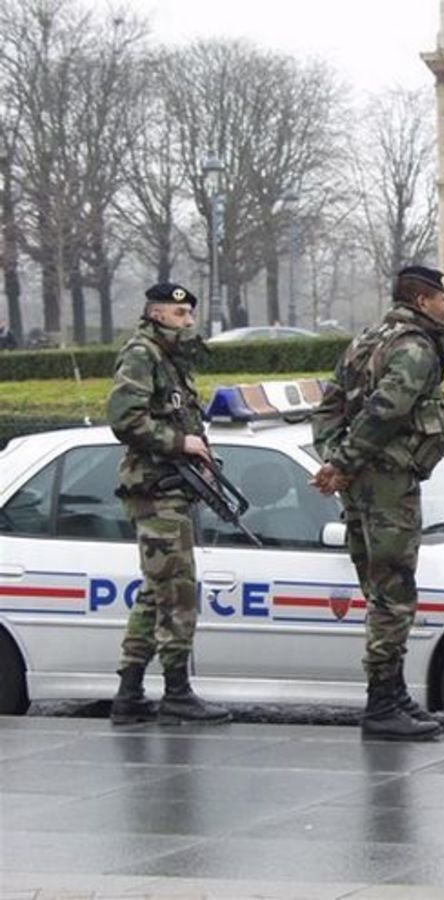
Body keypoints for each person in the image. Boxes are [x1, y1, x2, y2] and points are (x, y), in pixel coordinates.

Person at [310, 265, 444, 742]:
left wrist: (337, 460)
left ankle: (392, 694)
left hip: (360, 481)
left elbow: (327, 406)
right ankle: (383, 701)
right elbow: (387, 410)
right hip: (388, 481)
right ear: (421, 301)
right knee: (393, 592)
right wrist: (345, 461)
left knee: (379, 589)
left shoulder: (364, 341)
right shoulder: (413, 347)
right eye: (442, 298)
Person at [108, 282, 230, 726]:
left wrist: (200, 453)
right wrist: (181, 442)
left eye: (190, 314)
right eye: (180, 315)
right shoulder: (143, 354)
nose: (189, 322)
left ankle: (129, 691)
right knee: (177, 589)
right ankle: (176, 691)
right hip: (156, 489)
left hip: (171, 485)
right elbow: (124, 418)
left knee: (156, 591)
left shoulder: (170, 359)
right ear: (157, 314)